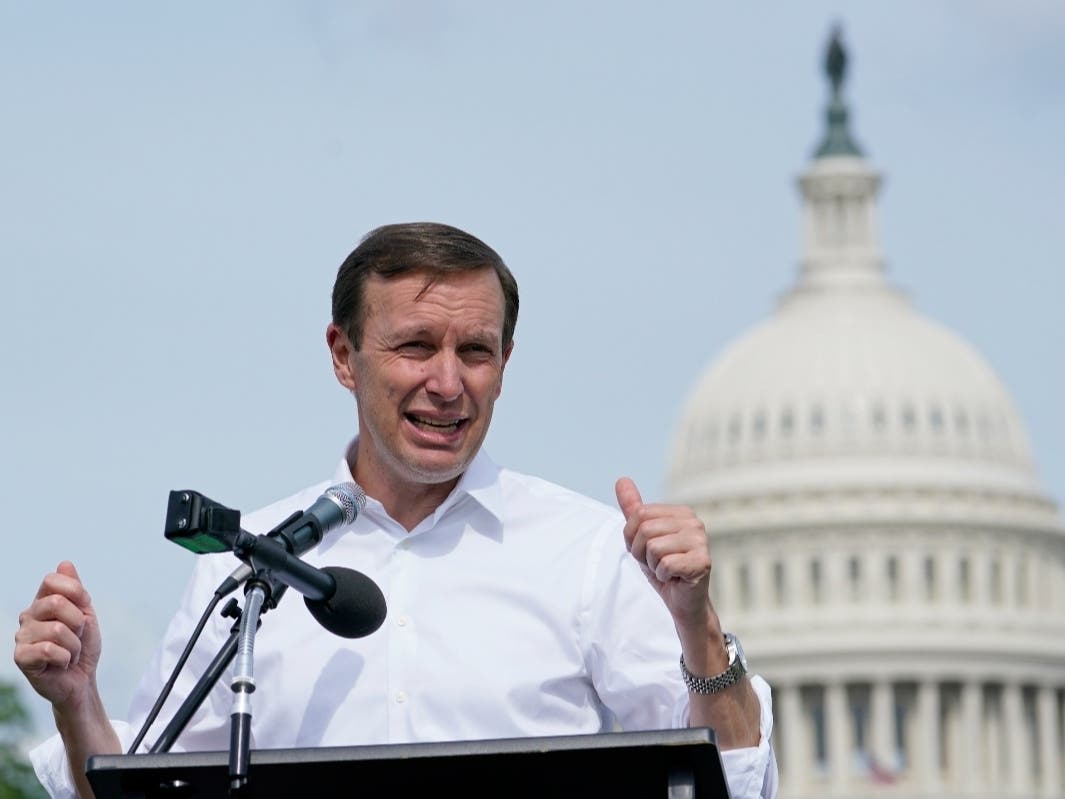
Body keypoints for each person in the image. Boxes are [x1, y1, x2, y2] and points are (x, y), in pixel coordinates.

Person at [15, 222, 779, 798]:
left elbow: (739, 779)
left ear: (505, 364)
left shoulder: (585, 551)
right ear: (343, 355)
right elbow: (139, 789)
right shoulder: (244, 565)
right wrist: (76, 700)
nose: (448, 382)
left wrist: (695, 622)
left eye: (475, 351)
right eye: (415, 345)